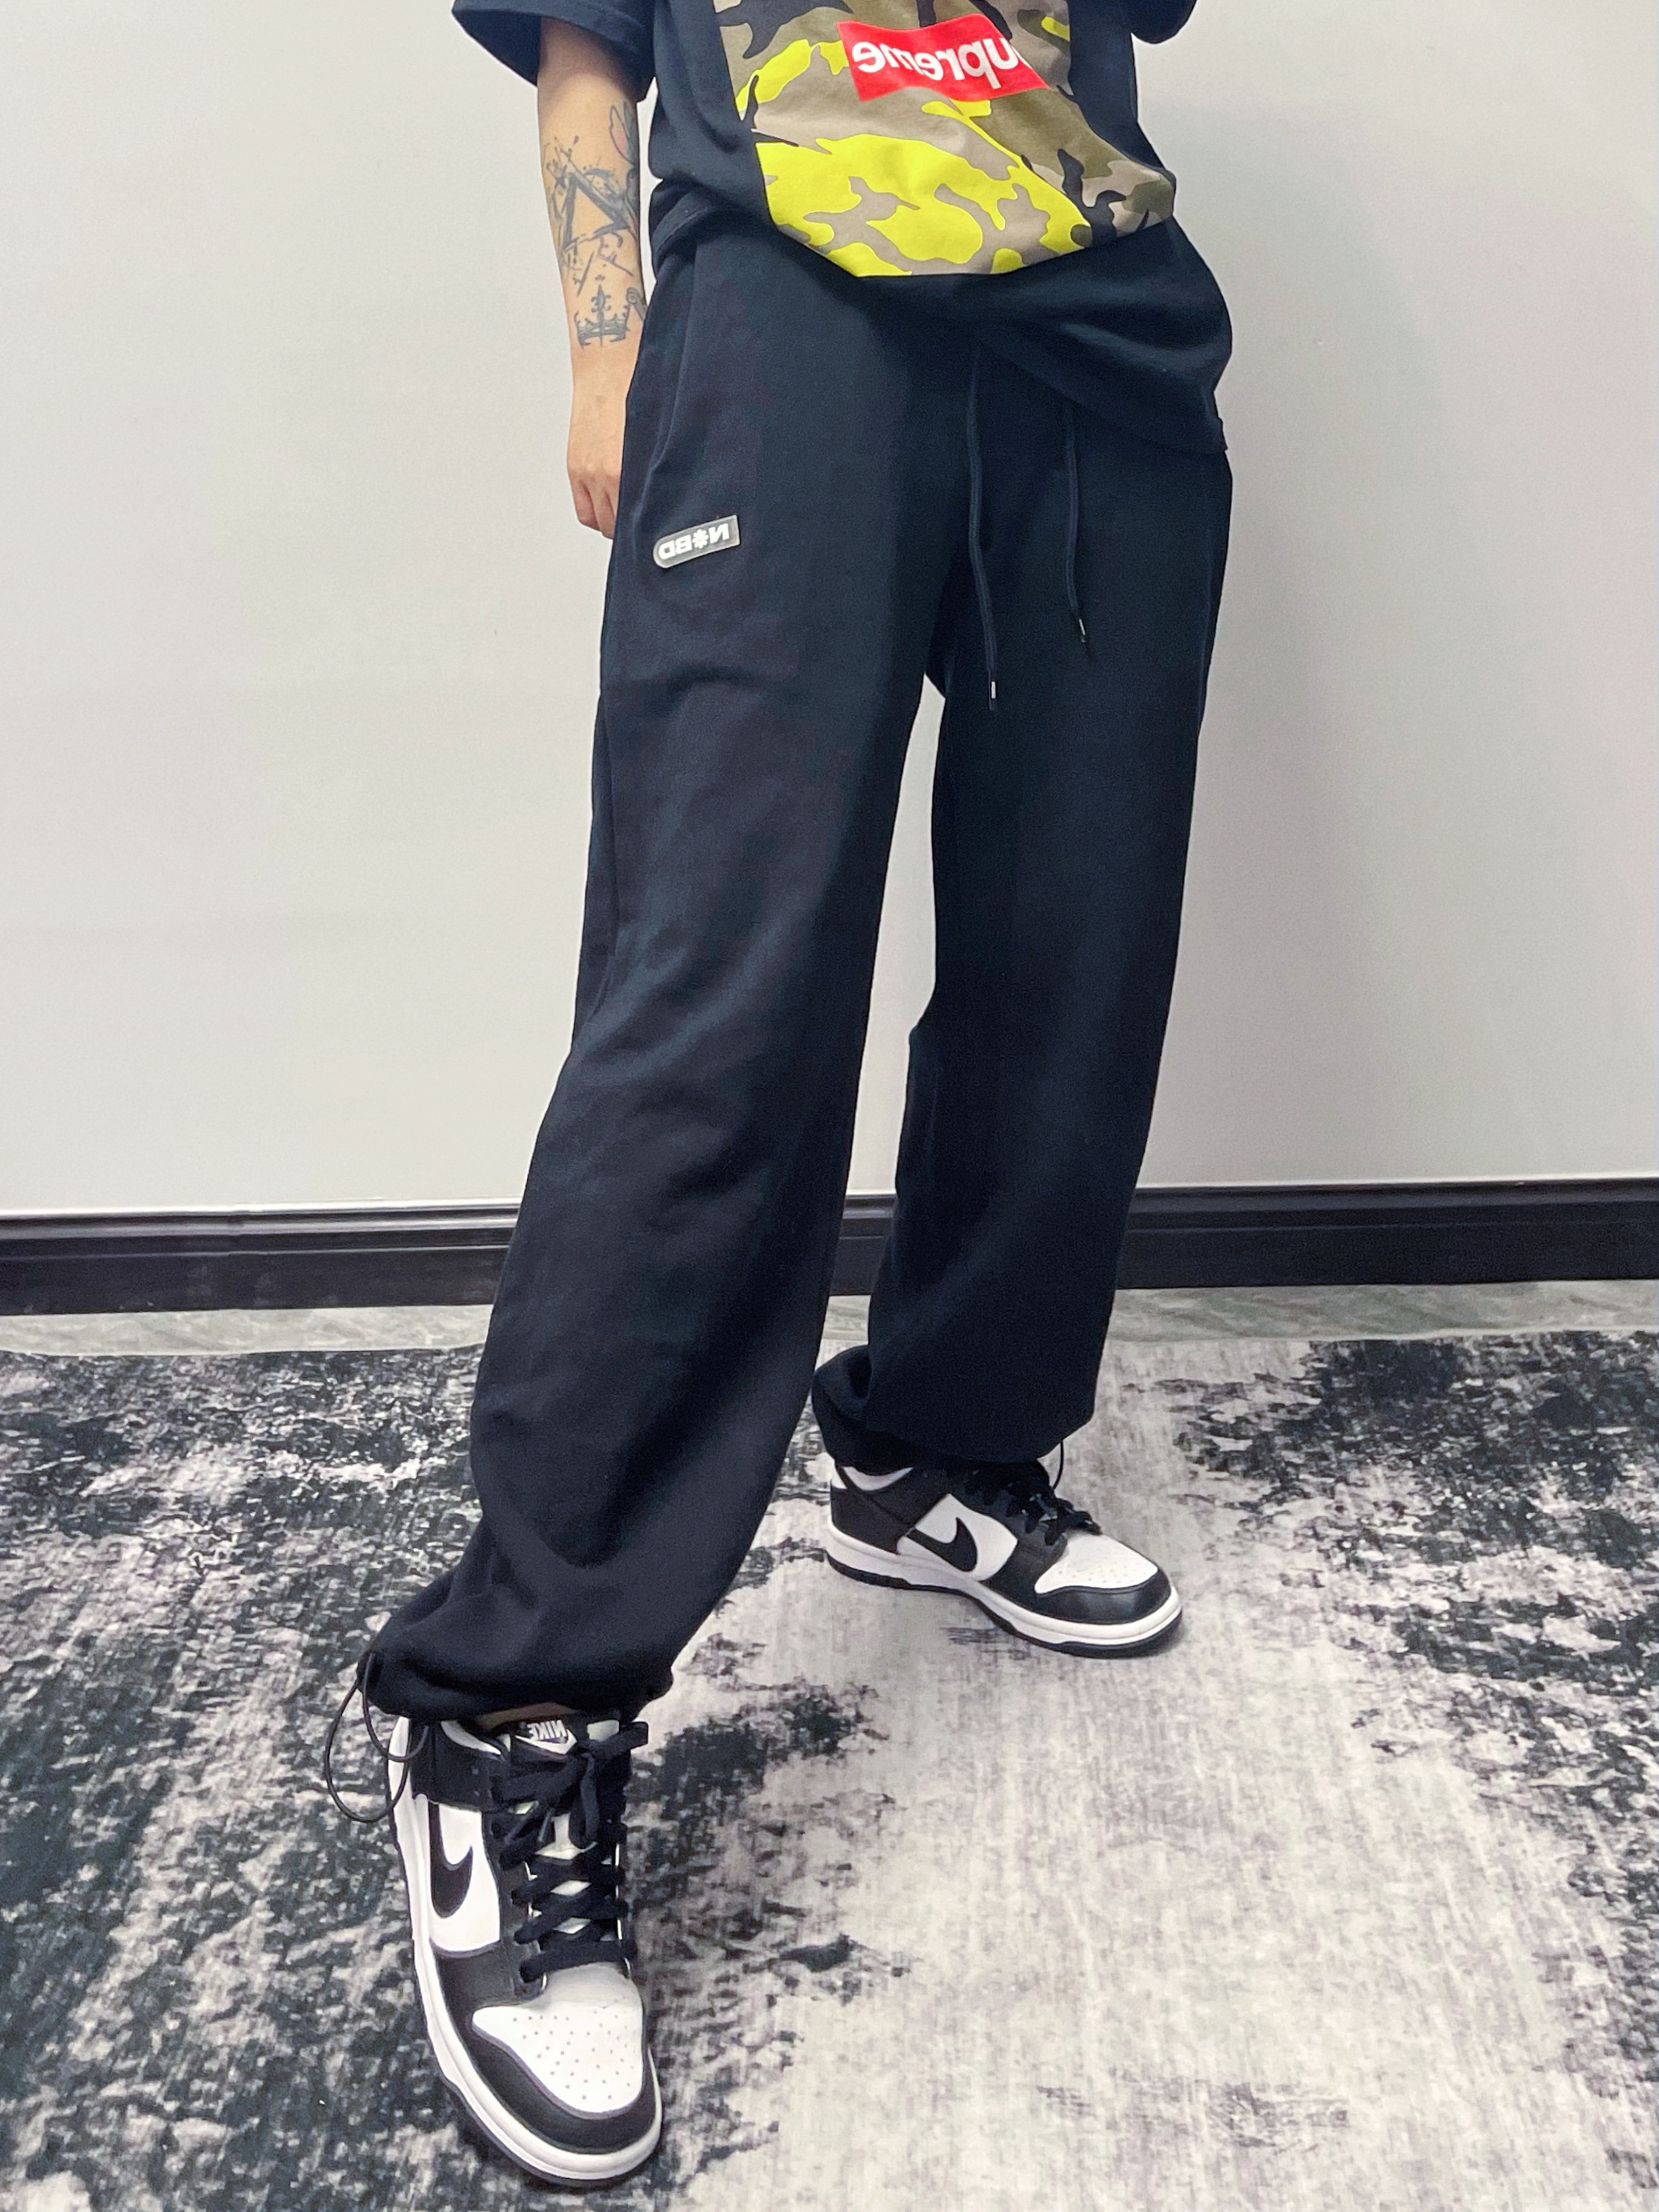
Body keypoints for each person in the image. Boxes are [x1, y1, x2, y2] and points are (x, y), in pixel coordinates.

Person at [324, 0, 1231, 2184]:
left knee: (1073, 946)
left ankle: (940, 1445)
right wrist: (609, 347)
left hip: (1094, 334)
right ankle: (511, 1704)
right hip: (787, 321)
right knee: (723, 991)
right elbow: (585, 47)